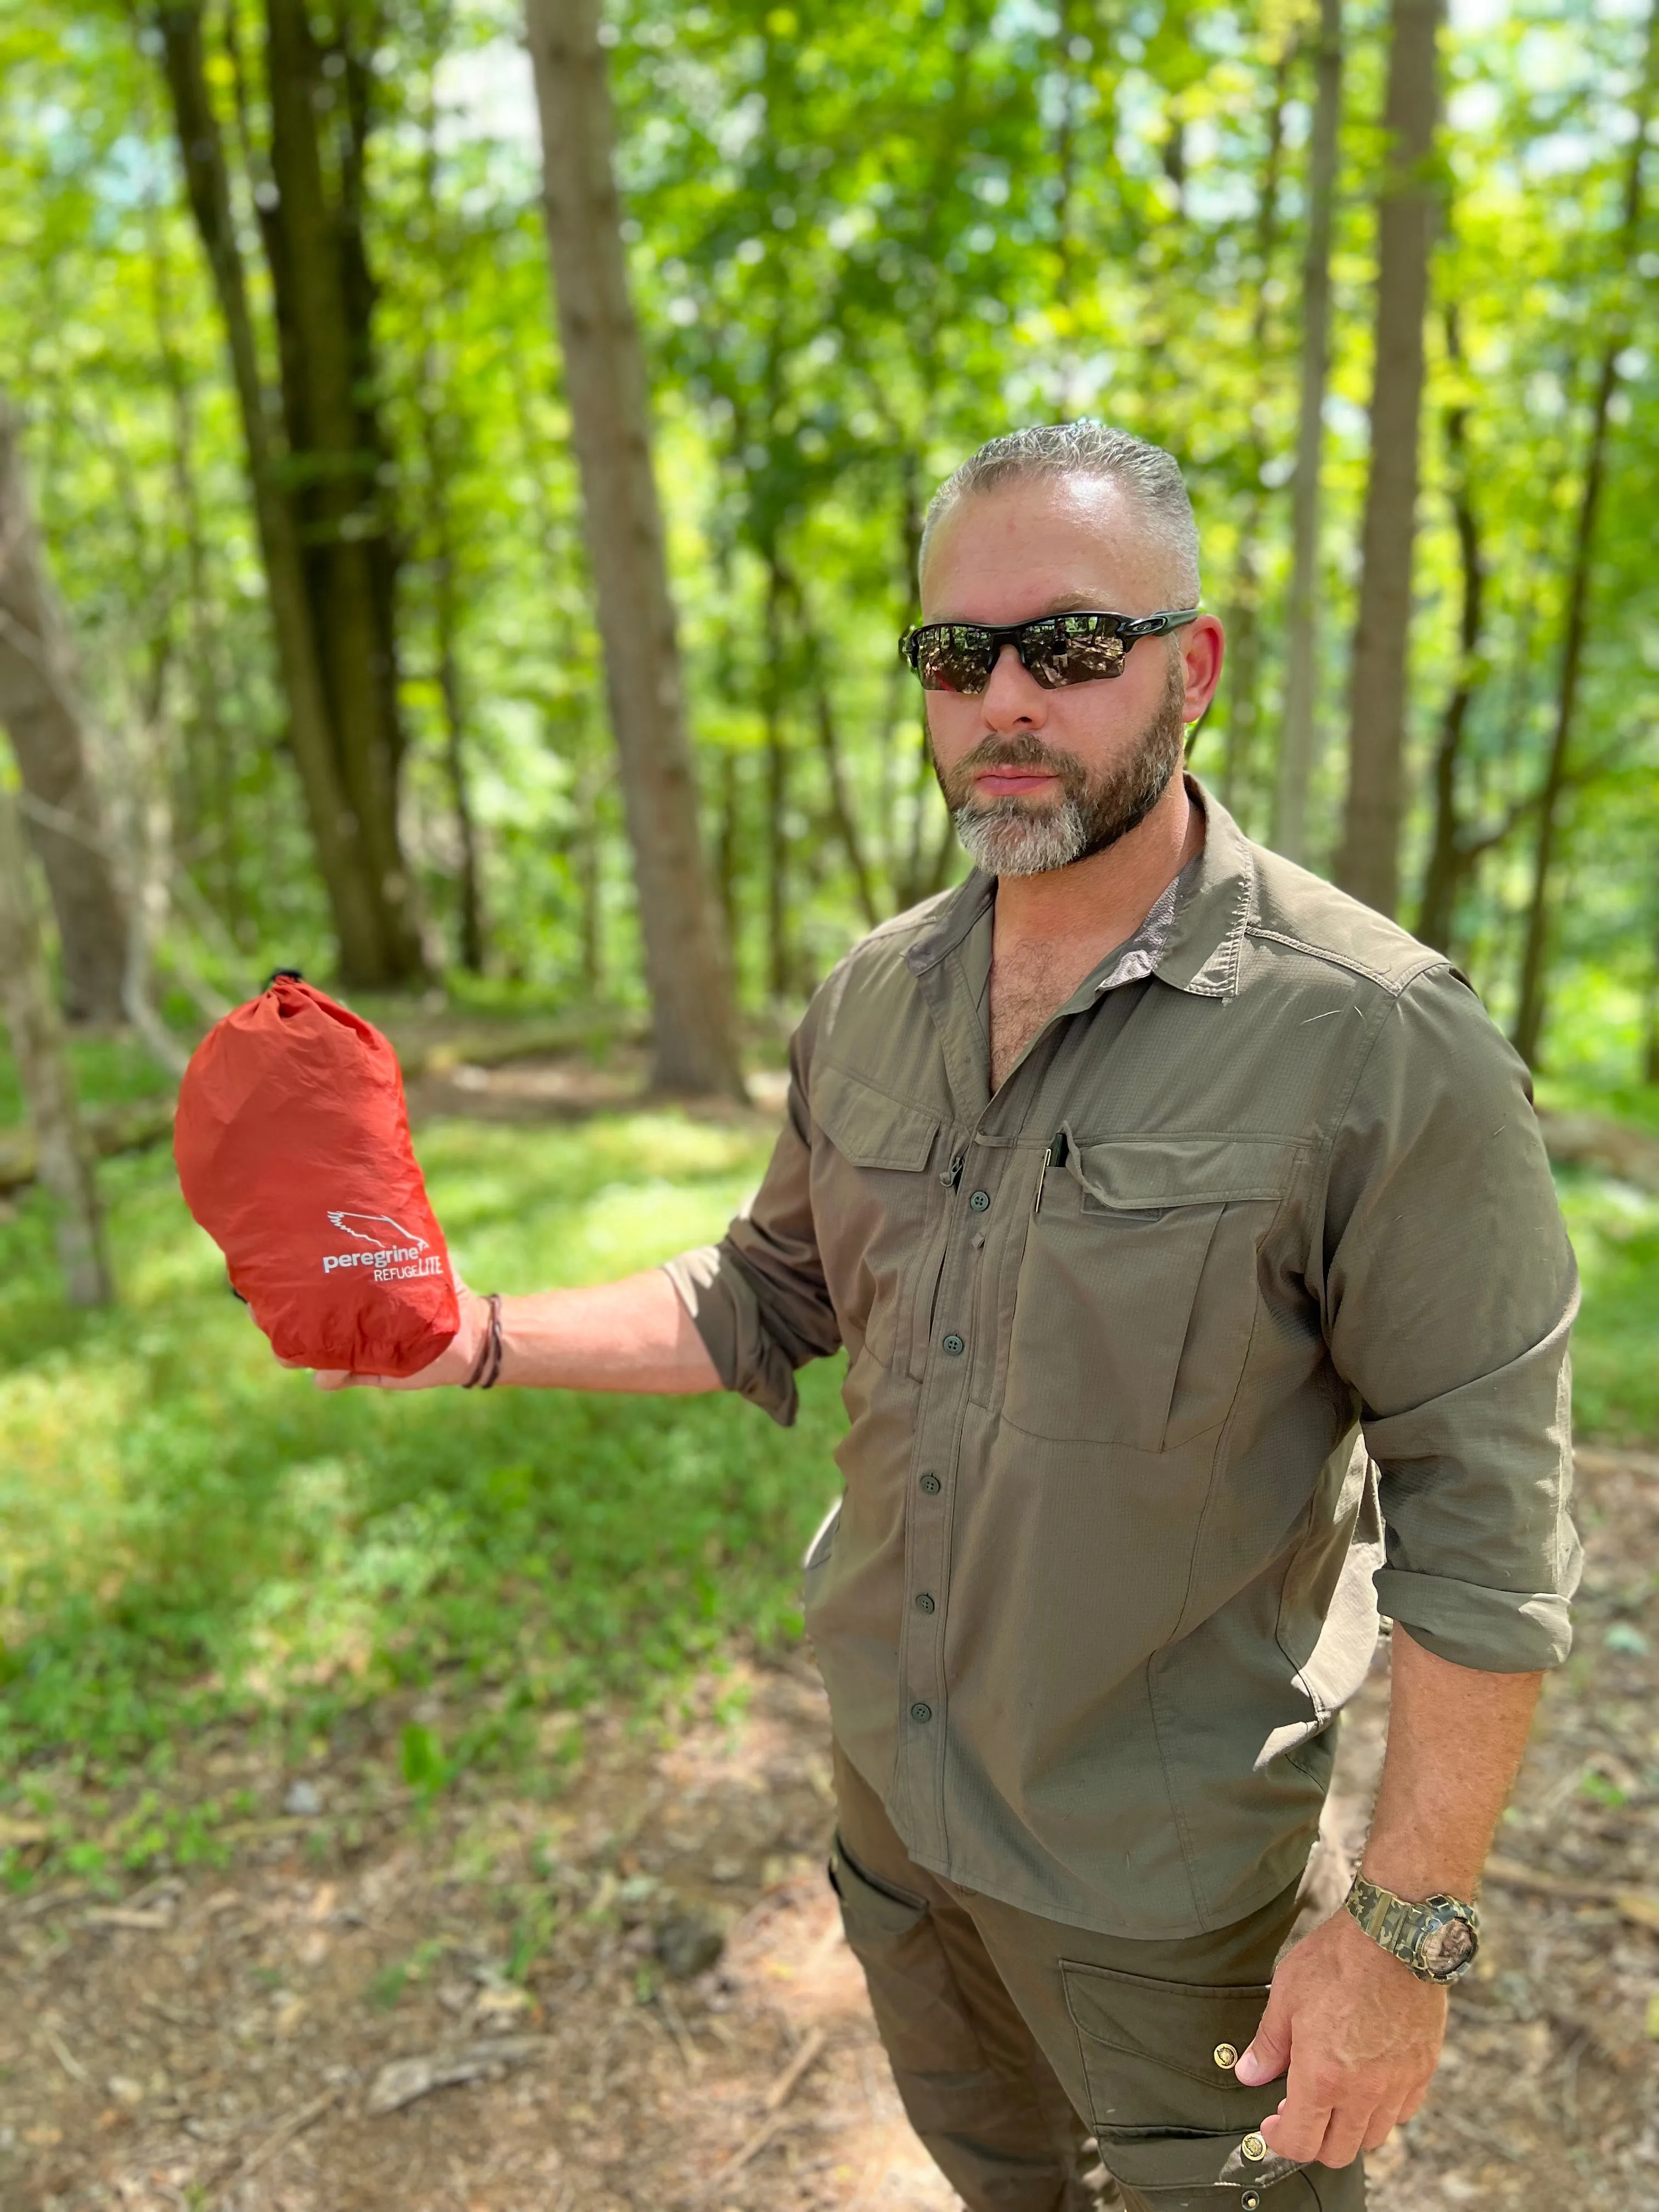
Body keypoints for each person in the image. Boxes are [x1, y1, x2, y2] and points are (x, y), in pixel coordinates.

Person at [303, 424, 1579, 2212]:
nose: (1004, 699)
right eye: (953, 653)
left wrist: (1400, 1932)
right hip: (892, 1827)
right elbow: (766, 1292)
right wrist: (472, 1333)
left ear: (1189, 666)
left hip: (1157, 1900)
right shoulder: (875, 999)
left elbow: (1489, 1525)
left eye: (1068, 647)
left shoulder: (1379, 1041)